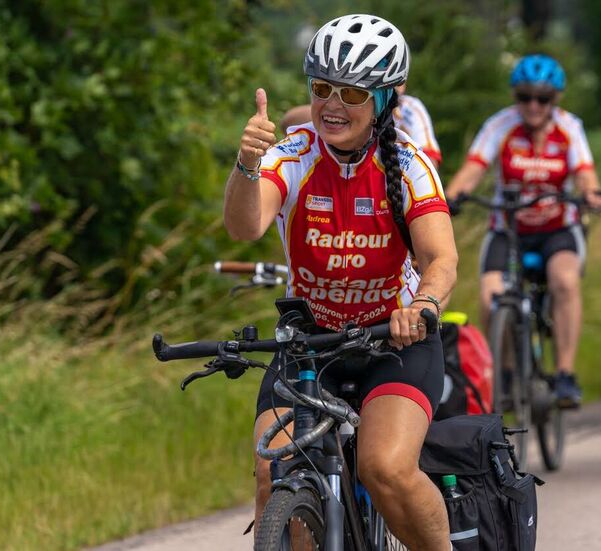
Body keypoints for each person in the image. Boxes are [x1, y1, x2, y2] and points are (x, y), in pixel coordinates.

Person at [223, 14, 457, 550]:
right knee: (273, 472)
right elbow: (244, 226)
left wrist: (422, 304)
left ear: (383, 101)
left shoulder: (409, 165)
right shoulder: (294, 155)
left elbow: (441, 257)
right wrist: (247, 164)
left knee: (385, 468)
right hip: (311, 342)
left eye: (351, 93)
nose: (332, 104)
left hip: (393, 341)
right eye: (321, 88)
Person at [444, 54, 601, 408]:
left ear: (555, 99)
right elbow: (473, 169)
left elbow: (585, 173)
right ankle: (503, 373)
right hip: (509, 228)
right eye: (525, 97)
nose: (533, 106)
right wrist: (449, 199)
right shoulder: (500, 126)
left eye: (542, 98)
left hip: (557, 229)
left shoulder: (569, 128)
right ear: (515, 96)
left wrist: (592, 193)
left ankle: (565, 374)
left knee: (565, 281)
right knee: (491, 296)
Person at [280, 84, 442, 167]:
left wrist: (399, 132)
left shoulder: (410, 108)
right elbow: (287, 122)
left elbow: (429, 161)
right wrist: (331, 115)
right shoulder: (340, 104)